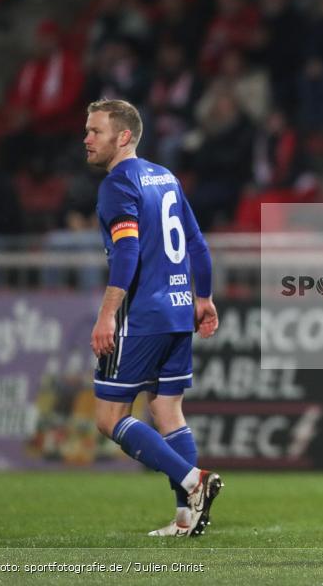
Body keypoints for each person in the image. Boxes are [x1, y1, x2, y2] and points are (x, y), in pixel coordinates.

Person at [84, 99, 223, 537]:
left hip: (142, 315)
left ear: (123, 136)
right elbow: (198, 244)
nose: (86, 139)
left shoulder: (117, 184)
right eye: (86, 131)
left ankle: (192, 480)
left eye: (95, 132)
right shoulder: (166, 177)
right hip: (180, 310)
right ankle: (187, 517)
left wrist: (107, 315)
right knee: (167, 411)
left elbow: (126, 251)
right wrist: (204, 297)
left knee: (109, 418)